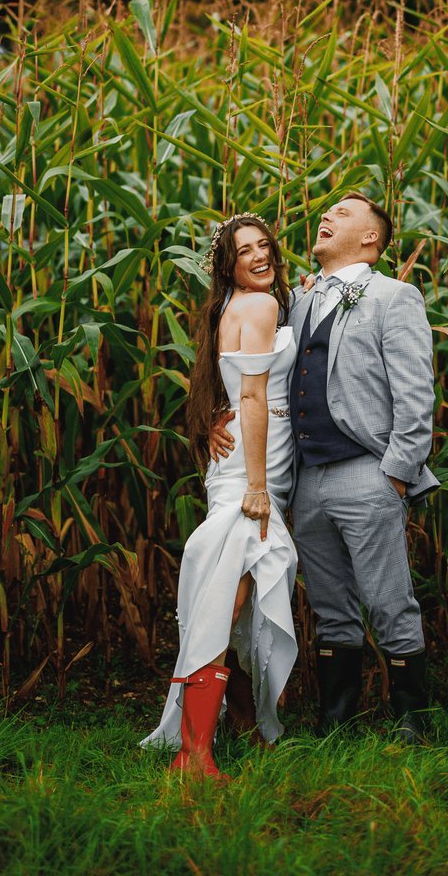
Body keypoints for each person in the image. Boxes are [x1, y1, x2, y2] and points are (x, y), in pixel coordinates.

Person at [212, 192, 439, 743]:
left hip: (368, 471)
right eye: (327, 210)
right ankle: (337, 718)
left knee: (389, 601)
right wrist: (216, 418)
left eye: (342, 212)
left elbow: (416, 395)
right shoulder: (299, 302)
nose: (327, 216)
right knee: (331, 606)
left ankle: (413, 720)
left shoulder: (394, 297)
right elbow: (254, 374)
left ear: (370, 239)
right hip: (307, 482)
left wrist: (397, 473)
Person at [140, 213, 299, 778]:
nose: (259, 256)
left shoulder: (231, 306)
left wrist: (214, 424)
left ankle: (238, 726)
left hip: (245, 461)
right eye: (244, 251)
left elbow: (222, 383)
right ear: (227, 265)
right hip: (251, 470)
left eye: (264, 245)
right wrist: (256, 487)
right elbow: (252, 398)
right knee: (230, 596)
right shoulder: (259, 306)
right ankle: (194, 752)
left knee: (237, 592)